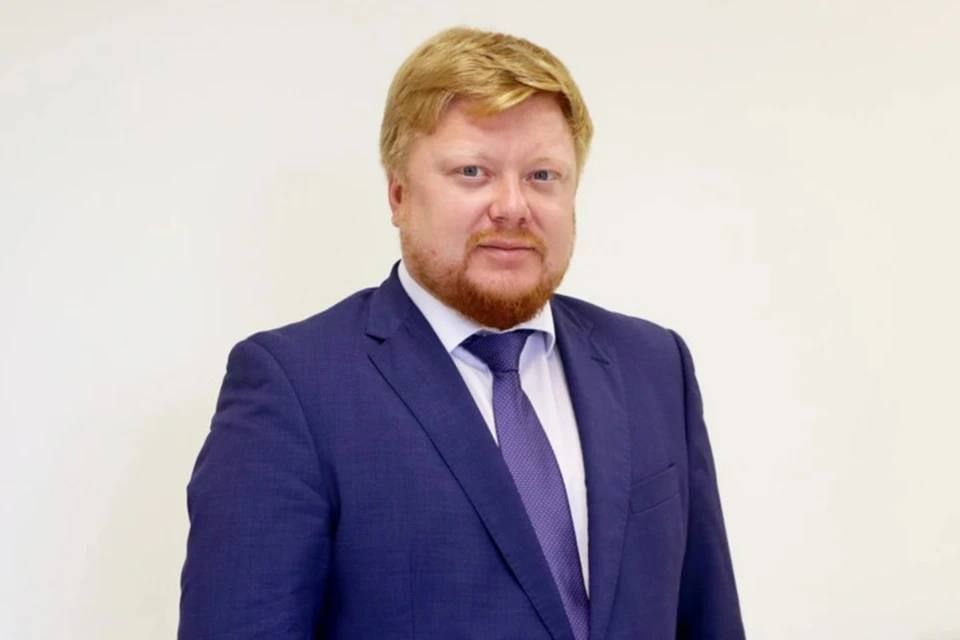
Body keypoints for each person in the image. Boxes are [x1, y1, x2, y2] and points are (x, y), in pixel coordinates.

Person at [179, 26, 745, 640]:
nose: (512, 206)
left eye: (543, 176)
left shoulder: (654, 366)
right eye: (473, 172)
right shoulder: (295, 389)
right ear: (398, 194)